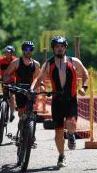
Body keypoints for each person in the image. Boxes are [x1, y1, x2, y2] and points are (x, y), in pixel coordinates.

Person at [31, 36, 89, 167]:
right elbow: (38, 79)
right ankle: (61, 156)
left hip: (71, 100)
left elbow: (85, 74)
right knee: (58, 131)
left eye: (62, 46)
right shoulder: (48, 63)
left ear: (65, 48)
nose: (59, 48)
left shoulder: (74, 61)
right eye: (57, 46)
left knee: (71, 125)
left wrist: (84, 87)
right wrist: (31, 89)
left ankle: (70, 134)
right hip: (56, 102)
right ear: (53, 48)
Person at [4, 41, 41, 118]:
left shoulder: (36, 64)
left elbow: (38, 78)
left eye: (31, 49)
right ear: (23, 50)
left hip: (30, 90)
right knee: (21, 112)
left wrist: (41, 86)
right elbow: (6, 74)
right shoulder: (16, 62)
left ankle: (29, 127)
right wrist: (7, 82)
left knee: (30, 110)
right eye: (27, 49)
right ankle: (21, 126)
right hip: (19, 89)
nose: (29, 51)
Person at [0, 46, 18, 122]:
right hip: (4, 81)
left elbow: (18, 71)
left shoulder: (15, 60)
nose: (8, 54)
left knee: (12, 96)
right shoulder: (1, 61)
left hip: (13, 81)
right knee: (5, 96)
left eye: (9, 52)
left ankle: (12, 114)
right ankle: (4, 110)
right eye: (6, 52)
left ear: (12, 53)